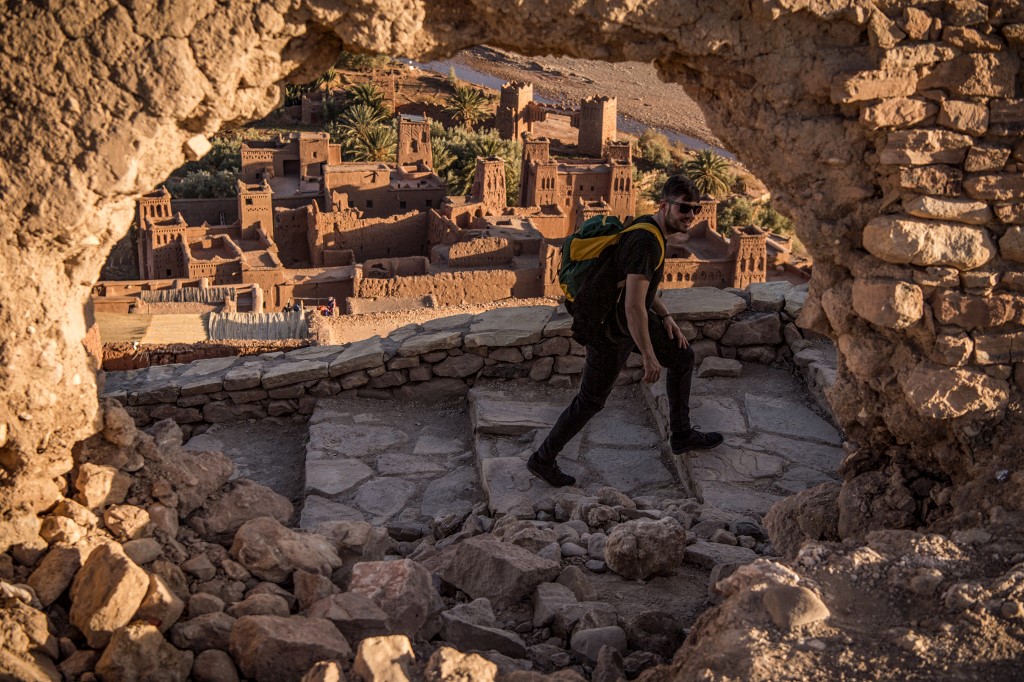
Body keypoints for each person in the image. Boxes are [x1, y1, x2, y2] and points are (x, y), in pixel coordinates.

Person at [527, 175, 724, 487]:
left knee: (682, 355)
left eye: (695, 210)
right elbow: (633, 305)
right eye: (685, 208)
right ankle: (542, 459)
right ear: (665, 205)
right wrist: (648, 355)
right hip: (610, 329)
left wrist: (666, 315)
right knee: (590, 401)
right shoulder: (647, 241)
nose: (690, 216)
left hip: (626, 321)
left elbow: (642, 288)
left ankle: (682, 433)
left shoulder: (651, 230)